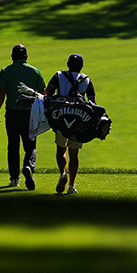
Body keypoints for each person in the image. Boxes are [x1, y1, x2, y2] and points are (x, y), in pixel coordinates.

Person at [0, 43, 46, 190]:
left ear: (12, 57)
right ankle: (28, 166)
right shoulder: (35, 72)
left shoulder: (5, 71)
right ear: (26, 57)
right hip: (30, 114)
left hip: (12, 113)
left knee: (13, 146)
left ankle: (14, 178)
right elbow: (42, 95)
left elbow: (1, 92)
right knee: (30, 146)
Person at [45, 53, 95, 196]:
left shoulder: (58, 75)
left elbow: (47, 93)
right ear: (82, 66)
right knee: (74, 153)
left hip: (61, 117)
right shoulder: (86, 79)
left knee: (61, 149)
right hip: (79, 119)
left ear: (67, 64)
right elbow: (92, 103)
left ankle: (62, 173)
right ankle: (71, 185)